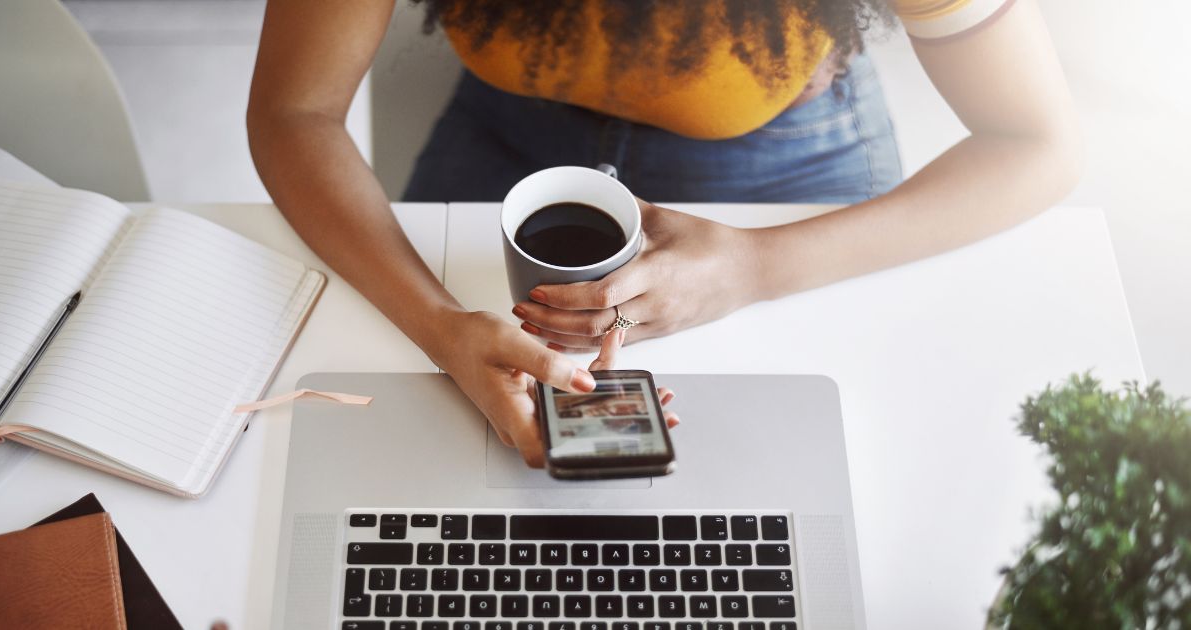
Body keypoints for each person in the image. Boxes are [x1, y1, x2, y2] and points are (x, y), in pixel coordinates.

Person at [247, 0, 1081, 466]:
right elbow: (295, 110)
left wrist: (757, 266)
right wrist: (441, 327)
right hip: (508, 133)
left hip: (783, 160)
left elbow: (1039, 146)